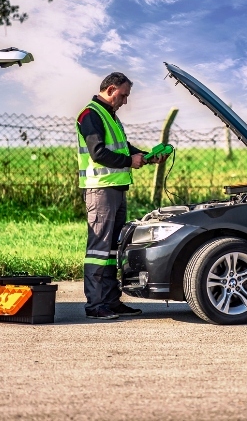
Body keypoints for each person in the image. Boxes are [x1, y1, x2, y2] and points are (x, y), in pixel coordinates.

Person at [75, 72, 167, 320]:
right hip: (101, 190)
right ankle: (95, 305)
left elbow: (124, 148)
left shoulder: (109, 116)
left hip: (115, 189)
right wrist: (129, 161)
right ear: (111, 89)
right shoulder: (91, 114)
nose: (125, 101)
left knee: (112, 251)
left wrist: (146, 157)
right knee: (98, 251)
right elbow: (98, 153)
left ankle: (111, 301)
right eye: (123, 95)